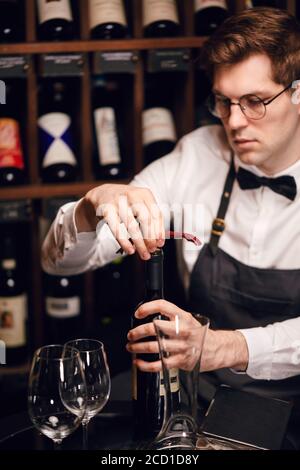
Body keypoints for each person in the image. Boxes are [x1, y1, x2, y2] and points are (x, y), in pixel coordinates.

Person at [42, 7, 300, 445]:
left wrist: (228, 346)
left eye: (255, 102)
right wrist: (91, 207)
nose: (234, 122)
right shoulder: (198, 155)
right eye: (224, 101)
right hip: (197, 396)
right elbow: (59, 266)